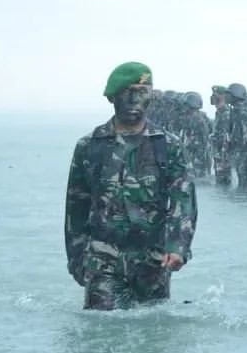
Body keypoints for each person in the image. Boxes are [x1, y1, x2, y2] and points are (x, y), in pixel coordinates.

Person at [64, 62, 197, 309]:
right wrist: (76, 259)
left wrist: (178, 247)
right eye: (128, 92)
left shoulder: (167, 145)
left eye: (143, 91)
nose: (135, 99)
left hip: (153, 261)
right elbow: (76, 206)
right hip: (102, 258)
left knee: (153, 333)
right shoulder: (90, 146)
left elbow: (183, 199)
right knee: (100, 332)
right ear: (112, 97)